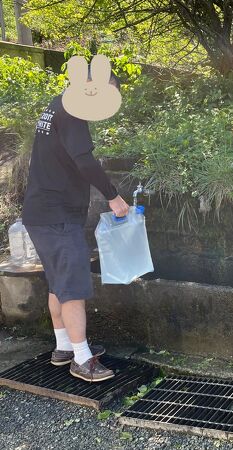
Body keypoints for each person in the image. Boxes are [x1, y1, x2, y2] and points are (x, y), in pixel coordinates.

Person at [22, 72, 130, 382]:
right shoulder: (72, 112)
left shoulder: (57, 105)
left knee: (59, 280)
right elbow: (85, 162)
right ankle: (82, 359)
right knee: (72, 284)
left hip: (41, 212)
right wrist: (113, 196)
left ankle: (64, 346)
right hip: (56, 214)